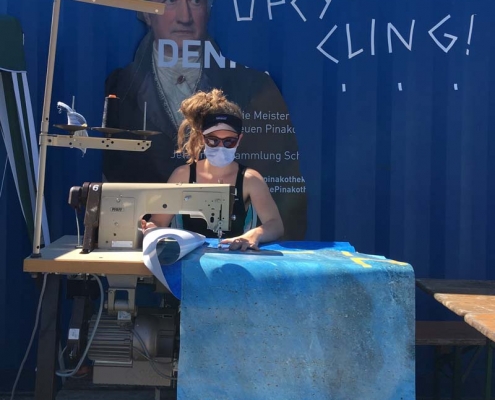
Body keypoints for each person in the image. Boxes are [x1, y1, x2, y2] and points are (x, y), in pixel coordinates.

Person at [103, 0, 307, 240]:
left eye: (196, 2)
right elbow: (157, 221)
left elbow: (282, 222)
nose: (185, 17)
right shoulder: (119, 87)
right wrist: (150, 229)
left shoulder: (257, 89)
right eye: (170, 1)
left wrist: (252, 237)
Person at [142, 89, 284, 251]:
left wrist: (255, 234)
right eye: (213, 140)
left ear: (239, 140)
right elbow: (159, 221)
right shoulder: (182, 176)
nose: (221, 147)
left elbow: (275, 225)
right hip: (188, 258)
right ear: (202, 138)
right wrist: (151, 228)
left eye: (229, 141)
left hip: (237, 257)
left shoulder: (250, 179)